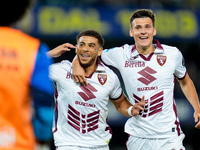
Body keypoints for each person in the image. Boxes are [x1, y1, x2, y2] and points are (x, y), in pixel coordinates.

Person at [71, 9, 200, 150]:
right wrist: (76, 63)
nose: (143, 31)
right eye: (138, 27)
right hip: (138, 137)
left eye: (147, 27)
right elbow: (88, 53)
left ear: (154, 31)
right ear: (131, 32)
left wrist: (197, 107)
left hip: (169, 136)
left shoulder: (172, 53)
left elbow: (185, 81)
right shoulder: (121, 54)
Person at [47, 29, 146, 150]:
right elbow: (28, 69)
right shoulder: (62, 70)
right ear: (76, 48)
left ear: (99, 51)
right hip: (67, 144)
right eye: (82, 45)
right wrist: (50, 54)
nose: (85, 49)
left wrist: (131, 109)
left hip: (99, 145)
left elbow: (120, 103)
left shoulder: (110, 77)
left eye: (91, 45)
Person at [0, 0, 54, 150]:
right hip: (15, 144)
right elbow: (44, 107)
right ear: (22, 12)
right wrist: (42, 140)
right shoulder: (35, 50)